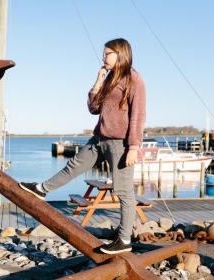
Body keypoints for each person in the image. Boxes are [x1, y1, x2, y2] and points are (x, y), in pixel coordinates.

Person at [19, 38, 146, 254]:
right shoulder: (109, 78)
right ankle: (41, 189)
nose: (103, 57)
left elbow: (138, 115)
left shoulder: (134, 78)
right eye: (104, 53)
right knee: (73, 166)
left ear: (120, 54)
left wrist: (134, 146)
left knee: (123, 191)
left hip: (120, 144)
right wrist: (98, 82)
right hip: (99, 139)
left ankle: (124, 240)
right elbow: (94, 108)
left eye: (107, 53)